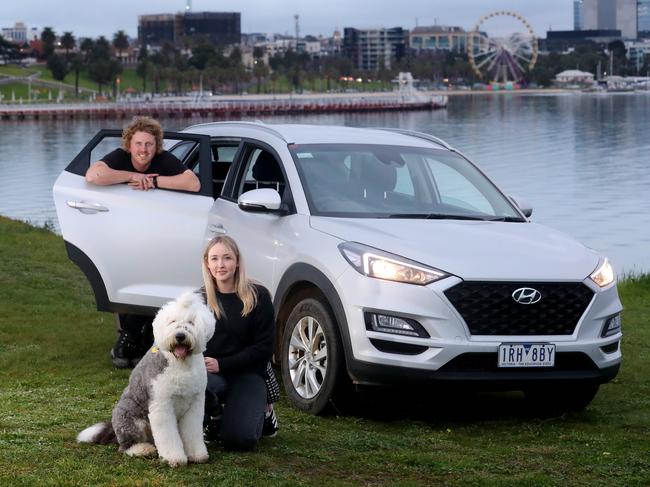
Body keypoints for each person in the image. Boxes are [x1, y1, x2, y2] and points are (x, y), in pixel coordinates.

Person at [85, 116, 201, 368]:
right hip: (126, 233)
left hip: (158, 234)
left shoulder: (163, 161)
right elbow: (93, 176)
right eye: (138, 144)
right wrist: (130, 177)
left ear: (156, 145)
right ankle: (132, 340)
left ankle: (132, 340)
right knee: (129, 280)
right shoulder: (120, 157)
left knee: (152, 280)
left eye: (149, 144)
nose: (143, 150)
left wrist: (154, 181)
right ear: (129, 144)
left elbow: (193, 183)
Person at [201, 235, 279, 450]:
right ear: (207, 263)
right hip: (212, 375)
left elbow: (265, 348)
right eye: (214, 259)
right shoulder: (199, 299)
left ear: (237, 261)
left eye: (227, 258)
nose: (220, 264)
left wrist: (223, 364)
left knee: (239, 440)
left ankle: (265, 413)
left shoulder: (258, 296)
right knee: (201, 386)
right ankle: (216, 415)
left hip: (248, 373)